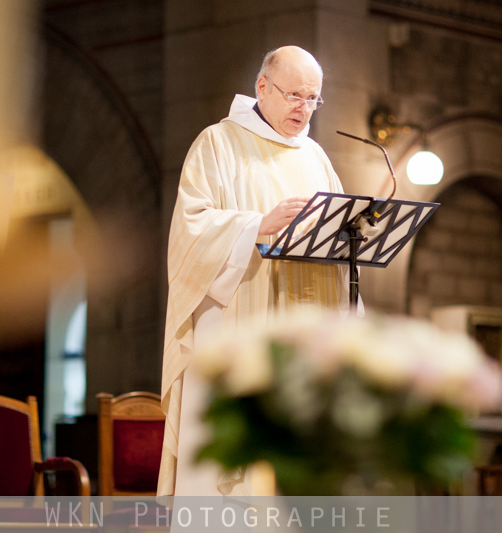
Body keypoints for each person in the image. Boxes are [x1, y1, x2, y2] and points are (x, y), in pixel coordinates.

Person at [158, 46, 363, 499]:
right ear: (262, 87)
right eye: (294, 95)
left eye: (313, 99)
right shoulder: (218, 142)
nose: (304, 108)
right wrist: (256, 225)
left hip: (305, 335)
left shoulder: (315, 157)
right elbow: (190, 229)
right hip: (241, 324)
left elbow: (339, 230)